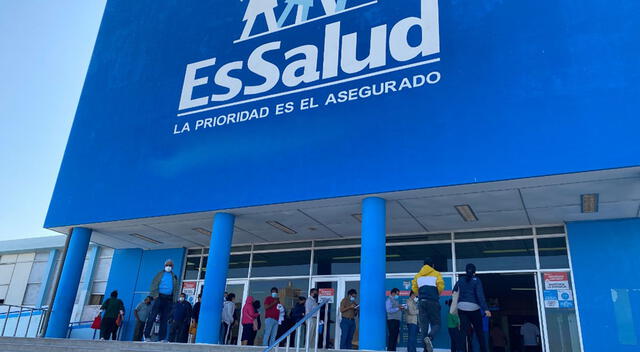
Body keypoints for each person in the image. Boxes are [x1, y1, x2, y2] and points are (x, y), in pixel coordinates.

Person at [453, 263, 491, 352]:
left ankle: (459, 350)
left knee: (462, 333)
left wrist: (457, 303)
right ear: (474, 272)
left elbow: (454, 292)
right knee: (479, 333)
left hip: (461, 308)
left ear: (466, 271)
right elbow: (480, 296)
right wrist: (486, 309)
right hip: (474, 308)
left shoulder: (461, 280)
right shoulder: (477, 280)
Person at [412, 258, 445, 352]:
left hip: (421, 302)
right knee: (436, 324)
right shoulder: (436, 274)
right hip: (433, 302)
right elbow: (441, 286)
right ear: (432, 265)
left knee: (424, 327)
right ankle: (430, 338)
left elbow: (414, 289)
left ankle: (425, 350)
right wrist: (435, 294)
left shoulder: (418, 276)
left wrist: (421, 295)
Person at [145, 259, 180, 342]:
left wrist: (174, 300)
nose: (169, 267)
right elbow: (153, 285)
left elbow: (176, 289)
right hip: (159, 298)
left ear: (173, 267)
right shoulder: (159, 274)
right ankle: (147, 336)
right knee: (152, 317)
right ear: (164, 266)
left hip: (168, 299)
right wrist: (155, 296)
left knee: (164, 319)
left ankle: (162, 338)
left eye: (170, 265)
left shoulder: (174, 276)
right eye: (167, 265)